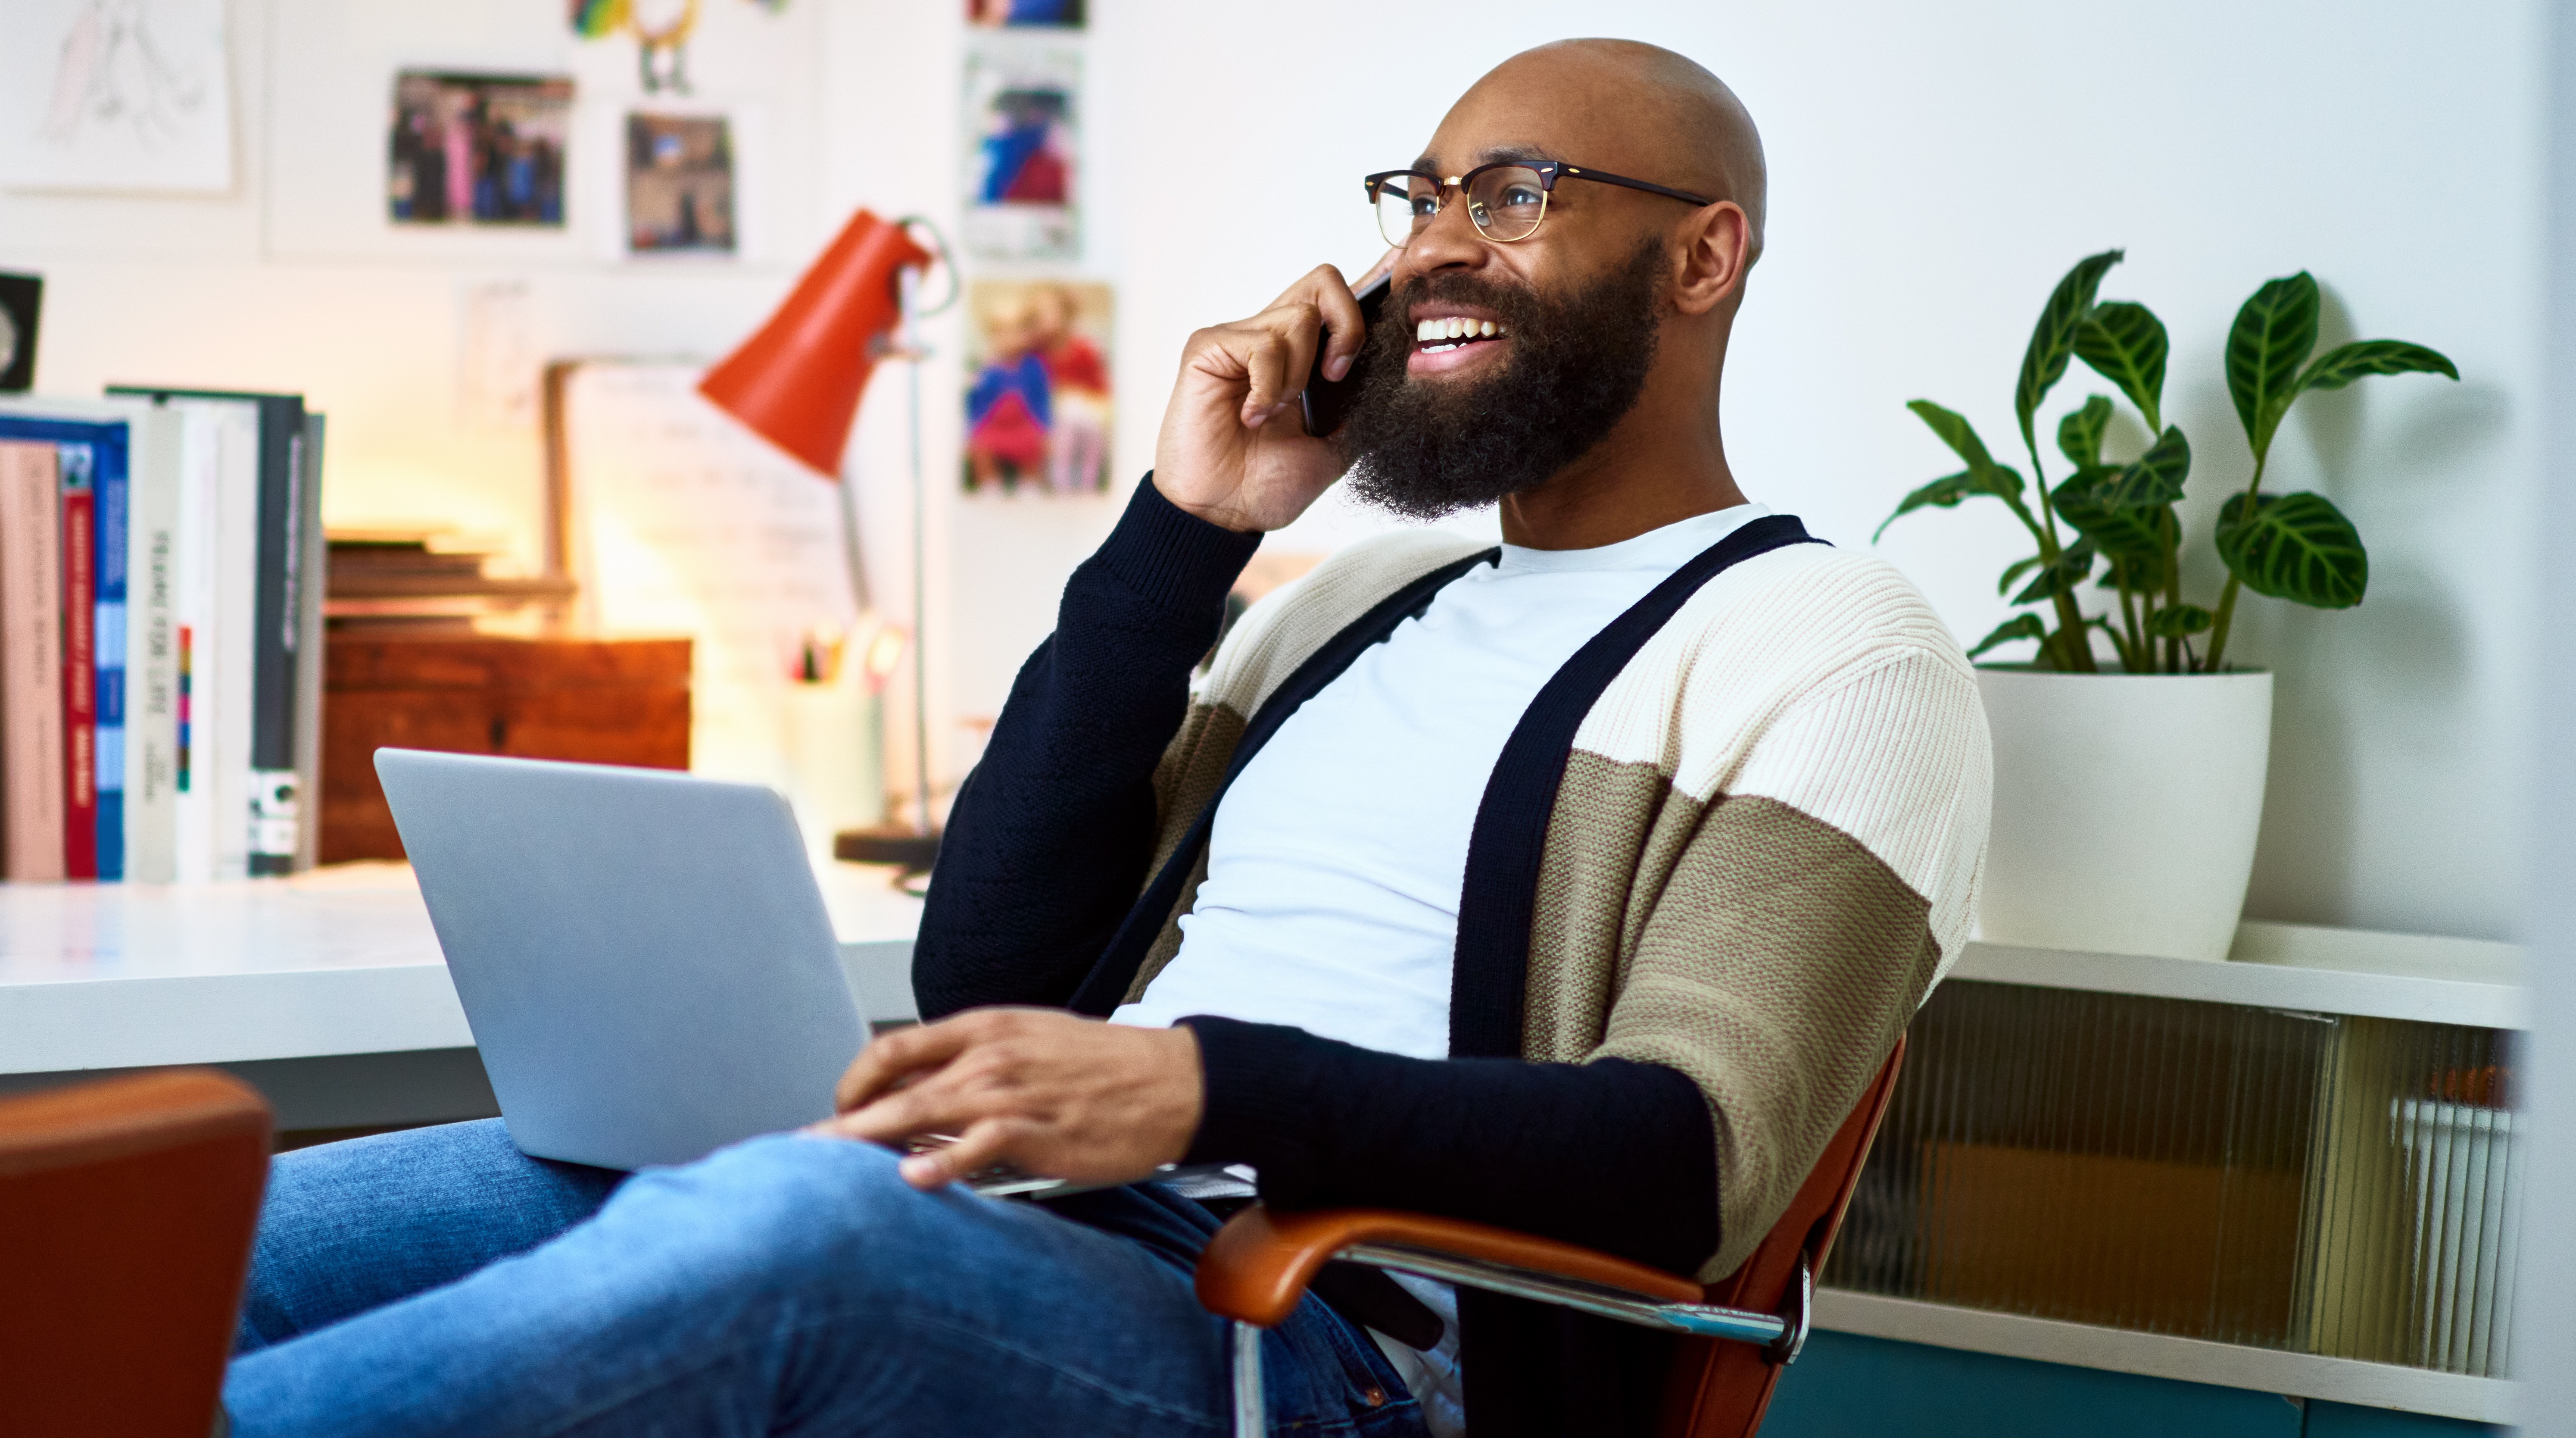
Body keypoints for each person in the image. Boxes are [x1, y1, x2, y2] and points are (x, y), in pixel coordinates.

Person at [219, 38, 1988, 1438]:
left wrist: (1196, 1086)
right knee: (257, 1229)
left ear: (1702, 253)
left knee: (786, 1240)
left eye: (1515, 194)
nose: (1434, 243)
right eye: (1420, 194)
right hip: (1027, 1222)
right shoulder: (1347, 600)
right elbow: (990, 954)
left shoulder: (1832, 652)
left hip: (1320, 1344)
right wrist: (1187, 527)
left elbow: (1680, 1161)